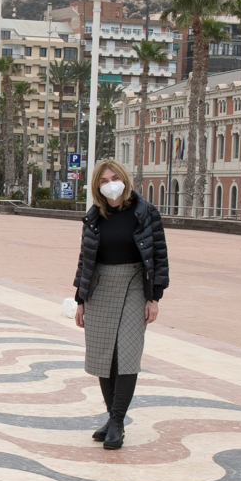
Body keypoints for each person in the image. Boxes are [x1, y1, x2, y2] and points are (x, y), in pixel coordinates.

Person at [73, 159, 169, 450]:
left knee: (127, 352)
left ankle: (116, 422)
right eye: (104, 181)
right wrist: (80, 300)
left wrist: (154, 296)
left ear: (125, 180)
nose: (110, 184)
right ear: (97, 187)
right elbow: (85, 260)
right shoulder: (94, 216)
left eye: (114, 178)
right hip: (100, 287)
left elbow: (160, 256)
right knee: (104, 355)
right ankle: (113, 417)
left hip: (134, 285)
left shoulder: (145, 212)